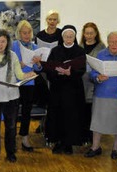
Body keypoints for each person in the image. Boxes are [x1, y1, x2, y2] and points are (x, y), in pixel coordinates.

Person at [0, 29, 37, 163]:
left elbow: (19, 75)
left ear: (7, 43)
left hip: (11, 96)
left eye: (3, 41)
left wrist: (28, 75)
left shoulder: (13, 56)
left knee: (11, 127)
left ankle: (10, 153)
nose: (0, 44)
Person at [84, 32, 117, 159]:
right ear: (107, 42)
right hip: (102, 93)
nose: (114, 44)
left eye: (116, 42)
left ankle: (115, 148)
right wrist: (97, 77)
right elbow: (93, 72)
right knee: (97, 121)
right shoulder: (101, 54)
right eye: (111, 42)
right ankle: (95, 147)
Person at [38, 25, 86, 154]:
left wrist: (71, 73)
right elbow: (49, 68)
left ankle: (69, 143)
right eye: (66, 36)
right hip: (58, 89)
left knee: (72, 116)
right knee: (57, 115)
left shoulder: (80, 51)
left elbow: (82, 69)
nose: (68, 38)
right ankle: (58, 142)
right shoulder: (55, 51)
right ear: (62, 37)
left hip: (73, 90)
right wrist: (58, 73)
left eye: (71, 36)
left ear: (74, 37)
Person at [11, 20, 42, 151]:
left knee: (26, 112)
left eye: (29, 32)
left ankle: (24, 138)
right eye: (24, 32)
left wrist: (39, 64)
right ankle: (10, 139)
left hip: (29, 83)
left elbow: (38, 69)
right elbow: (8, 65)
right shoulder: (12, 46)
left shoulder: (34, 47)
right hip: (16, 83)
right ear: (19, 33)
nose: (27, 35)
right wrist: (19, 65)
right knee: (12, 111)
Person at [79, 22, 106, 144]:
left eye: (91, 33)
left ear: (96, 34)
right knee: (82, 110)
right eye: (86, 33)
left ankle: (92, 137)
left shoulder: (101, 48)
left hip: (94, 83)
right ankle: (83, 135)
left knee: (93, 111)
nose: (89, 36)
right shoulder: (79, 47)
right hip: (81, 82)